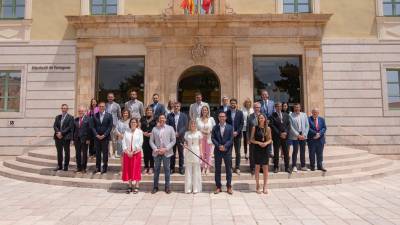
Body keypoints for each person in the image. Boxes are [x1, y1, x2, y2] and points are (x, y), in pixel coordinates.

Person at [150, 114, 176, 194]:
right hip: (157, 152)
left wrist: (166, 149)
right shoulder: (154, 129)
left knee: (167, 170)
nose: (162, 119)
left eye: (163, 118)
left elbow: (173, 140)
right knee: (156, 170)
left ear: (165, 119)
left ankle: (167, 187)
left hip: (166, 153)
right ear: (158, 119)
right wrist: (155, 149)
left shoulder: (170, 128)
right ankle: (155, 187)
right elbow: (151, 141)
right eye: (160, 118)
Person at [212, 112, 234, 195]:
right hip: (218, 151)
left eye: (223, 116)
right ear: (218, 117)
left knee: (228, 169)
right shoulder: (215, 128)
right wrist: (219, 146)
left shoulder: (230, 127)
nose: (221, 118)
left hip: (227, 151)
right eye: (220, 116)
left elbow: (231, 139)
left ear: (225, 118)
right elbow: (213, 138)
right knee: (217, 169)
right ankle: (218, 187)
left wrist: (225, 146)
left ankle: (229, 186)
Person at [250, 114, 272, 194]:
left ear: (265, 119)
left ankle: (265, 186)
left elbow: (270, 139)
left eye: (262, 118)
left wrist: (266, 143)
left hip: (265, 149)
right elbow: (251, 139)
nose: (261, 119)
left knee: (265, 168)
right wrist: (258, 142)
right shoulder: (254, 128)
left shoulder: (268, 128)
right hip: (257, 149)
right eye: (259, 118)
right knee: (257, 167)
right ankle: (257, 185)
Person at [122, 118, 143, 194]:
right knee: (128, 169)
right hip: (127, 154)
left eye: (134, 122)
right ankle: (130, 185)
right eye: (132, 122)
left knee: (136, 169)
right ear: (130, 123)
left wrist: (133, 151)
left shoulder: (139, 132)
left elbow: (140, 143)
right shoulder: (126, 132)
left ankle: (137, 185)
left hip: (136, 153)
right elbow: (123, 142)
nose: (133, 123)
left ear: (137, 123)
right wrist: (127, 151)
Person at [90, 102, 113, 174]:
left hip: (105, 138)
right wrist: (96, 135)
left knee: (105, 153)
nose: (101, 107)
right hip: (97, 138)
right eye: (100, 106)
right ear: (98, 107)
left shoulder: (109, 116)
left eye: (103, 106)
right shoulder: (94, 115)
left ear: (105, 107)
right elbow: (92, 127)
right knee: (97, 153)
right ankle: (98, 168)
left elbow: (110, 127)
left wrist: (104, 135)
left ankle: (105, 168)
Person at [167, 101, 188, 175]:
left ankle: (181, 168)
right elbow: (168, 126)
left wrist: (179, 133)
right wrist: (173, 133)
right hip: (172, 138)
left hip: (180, 137)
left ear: (180, 107)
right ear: (173, 107)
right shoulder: (169, 115)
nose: (176, 107)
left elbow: (185, 126)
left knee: (181, 153)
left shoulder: (184, 115)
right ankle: (171, 168)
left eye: (178, 106)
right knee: (172, 153)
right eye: (175, 106)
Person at [270, 102, 291, 173]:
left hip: (285, 137)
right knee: (276, 153)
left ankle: (287, 167)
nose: (279, 107)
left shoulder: (286, 115)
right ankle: (276, 167)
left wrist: (285, 132)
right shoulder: (272, 115)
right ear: (275, 108)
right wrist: (280, 133)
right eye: (277, 106)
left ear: (282, 107)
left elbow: (288, 125)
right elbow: (272, 126)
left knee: (286, 152)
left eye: (280, 106)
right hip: (277, 137)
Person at [289, 103, 309, 172]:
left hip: (303, 135)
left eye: (298, 107)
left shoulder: (304, 115)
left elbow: (307, 125)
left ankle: (303, 165)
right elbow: (291, 127)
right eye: (295, 107)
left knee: (303, 151)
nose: (297, 108)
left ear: (300, 108)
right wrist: (297, 135)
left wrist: (304, 134)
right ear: (294, 108)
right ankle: (294, 166)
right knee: (295, 150)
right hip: (295, 136)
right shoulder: (291, 115)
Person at [53, 104, 74, 171]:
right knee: (59, 152)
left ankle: (66, 166)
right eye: (62, 108)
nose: (64, 109)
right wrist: (58, 132)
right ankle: (59, 166)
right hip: (58, 137)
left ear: (67, 109)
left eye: (65, 108)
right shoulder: (58, 117)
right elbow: (55, 126)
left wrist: (61, 133)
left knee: (66, 152)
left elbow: (69, 127)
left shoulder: (70, 117)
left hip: (66, 137)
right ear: (61, 109)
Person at [184, 120, 203, 194]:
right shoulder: (186, 133)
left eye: (194, 124)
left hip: (196, 152)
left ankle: (195, 188)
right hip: (188, 152)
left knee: (196, 171)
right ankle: (188, 188)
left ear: (196, 125)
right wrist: (185, 145)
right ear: (189, 125)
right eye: (191, 124)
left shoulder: (199, 133)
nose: (193, 125)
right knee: (188, 171)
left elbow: (200, 144)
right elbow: (185, 142)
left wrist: (201, 153)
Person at [196, 105, 216, 175]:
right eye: (203, 110)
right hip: (200, 139)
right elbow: (195, 129)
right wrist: (202, 131)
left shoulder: (211, 119)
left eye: (205, 110)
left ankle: (208, 167)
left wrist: (209, 131)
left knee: (209, 153)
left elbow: (215, 129)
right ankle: (203, 167)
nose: (204, 111)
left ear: (208, 111)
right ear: (201, 111)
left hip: (209, 138)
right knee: (202, 153)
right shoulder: (198, 119)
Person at [226, 98, 244, 175]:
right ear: (230, 104)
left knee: (238, 152)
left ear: (236, 104)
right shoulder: (227, 113)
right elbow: (225, 123)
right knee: (229, 152)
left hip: (238, 135)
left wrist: (237, 132)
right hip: (229, 136)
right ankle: (230, 167)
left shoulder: (240, 113)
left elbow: (241, 123)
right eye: (231, 103)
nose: (233, 104)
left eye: (234, 103)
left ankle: (237, 167)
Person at [73, 105, 91, 174]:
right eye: (79, 111)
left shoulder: (88, 119)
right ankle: (78, 167)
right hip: (77, 140)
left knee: (84, 154)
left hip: (85, 140)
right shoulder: (76, 120)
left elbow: (89, 130)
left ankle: (84, 168)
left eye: (82, 111)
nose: (80, 112)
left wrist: (88, 139)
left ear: (85, 112)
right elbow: (73, 130)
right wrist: (73, 139)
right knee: (77, 154)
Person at [246, 102, 263, 175]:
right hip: (252, 138)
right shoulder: (249, 116)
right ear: (253, 108)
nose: (257, 109)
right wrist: (248, 138)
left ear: (260, 108)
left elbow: (265, 127)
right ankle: (252, 168)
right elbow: (247, 129)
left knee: (261, 153)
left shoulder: (263, 116)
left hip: (261, 138)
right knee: (252, 154)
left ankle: (261, 167)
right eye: (255, 107)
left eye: (258, 107)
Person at [140, 107, 157, 174]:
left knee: (152, 153)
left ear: (152, 112)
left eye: (150, 110)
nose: (149, 111)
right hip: (144, 137)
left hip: (152, 138)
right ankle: (146, 167)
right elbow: (139, 127)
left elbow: (157, 127)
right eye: (148, 110)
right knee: (145, 153)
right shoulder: (143, 118)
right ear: (145, 111)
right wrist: (143, 133)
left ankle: (152, 167)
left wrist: (151, 133)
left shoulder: (155, 118)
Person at [106, 92, 122, 159]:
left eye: (111, 97)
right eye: (109, 97)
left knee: (114, 140)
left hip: (114, 125)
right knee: (106, 140)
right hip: (106, 124)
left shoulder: (117, 105)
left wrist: (118, 124)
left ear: (114, 97)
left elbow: (119, 115)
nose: (110, 98)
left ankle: (114, 152)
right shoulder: (105, 105)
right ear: (107, 98)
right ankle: (107, 153)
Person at [115, 109, 131, 174]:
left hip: (128, 141)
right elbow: (116, 129)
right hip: (120, 140)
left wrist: (125, 135)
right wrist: (119, 134)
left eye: (127, 113)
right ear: (122, 114)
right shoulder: (119, 121)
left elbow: (132, 129)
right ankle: (122, 169)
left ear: (128, 114)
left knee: (127, 155)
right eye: (124, 113)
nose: (125, 114)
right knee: (122, 156)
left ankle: (127, 169)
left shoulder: (130, 121)